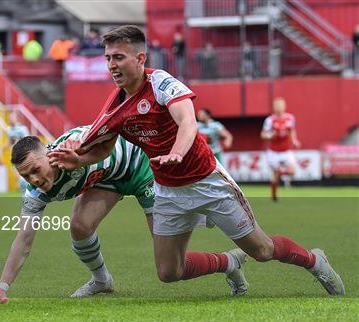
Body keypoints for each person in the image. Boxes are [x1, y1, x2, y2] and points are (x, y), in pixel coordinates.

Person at [49, 25, 344, 296]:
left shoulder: (161, 82)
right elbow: (103, 148)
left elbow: (188, 121)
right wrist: (79, 160)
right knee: (168, 272)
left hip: (207, 182)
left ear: (140, 58)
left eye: (119, 57)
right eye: (108, 58)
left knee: (263, 251)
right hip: (168, 191)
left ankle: (314, 260)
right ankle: (228, 263)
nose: (112, 65)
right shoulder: (115, 107)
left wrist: (178, 151)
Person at [0, 126, 230, 304]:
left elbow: (109, 128)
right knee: (80, 227)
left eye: (36, 170)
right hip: (108, 178)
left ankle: (228, 262)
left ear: (49, 154)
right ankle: (102, 281)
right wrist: (2, 288)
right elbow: (24, 238)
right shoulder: (35, 193)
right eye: (26, 176)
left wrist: (81, 146)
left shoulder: (73, 146)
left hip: (141, 167)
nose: (34, 179)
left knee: (168, 270)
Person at [260, 97, 301, 202]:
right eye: (277, 105)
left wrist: (295, 140)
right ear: (273, 107)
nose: (279, 107)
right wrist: (270, 136)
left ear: (284, 106)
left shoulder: (290, 118)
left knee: (292, 171)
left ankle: (280, 172)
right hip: (274, 152)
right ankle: (274, 195)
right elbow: (263, 135)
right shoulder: (270, 120)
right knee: (274, 177)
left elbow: (292, 130)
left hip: (286, 151)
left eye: (281, 105)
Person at [6, 111, 30, 193]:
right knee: (19, 177)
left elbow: (28, 141)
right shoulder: (8, 130)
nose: (10, 119)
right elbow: (9, 142)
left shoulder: (23, 129)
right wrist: (3, 149)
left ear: (16, 119)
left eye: (12, 118)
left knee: (24, 177)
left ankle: (28, 194)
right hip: (15, 156)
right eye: (9, 118)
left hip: (23, 155)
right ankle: (25, 195)